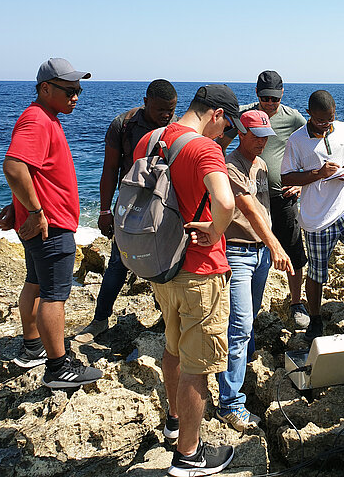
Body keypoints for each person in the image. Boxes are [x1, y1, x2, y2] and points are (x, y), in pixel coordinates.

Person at [134, 84, 243, 476]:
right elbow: (226, 201)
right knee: (198, 365)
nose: (226, 134)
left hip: (161, 264)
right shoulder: (203, 148)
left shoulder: (149, 140)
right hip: (199, 270)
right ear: (215, 113)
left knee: (173, 347)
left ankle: (174, 422)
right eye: (228, 124)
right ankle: (189, 456)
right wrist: (216, 229)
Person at [0, 58, 102, 388]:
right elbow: (13, 167)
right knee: (55, 295)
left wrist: (20, 207)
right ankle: (58, 368)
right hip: (50, 225)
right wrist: (36, 211)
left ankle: (33, 347)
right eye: (69, 90)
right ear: (45, 88)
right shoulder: (38, 121)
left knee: (36, 282)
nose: (76, 97)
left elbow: (31, 172)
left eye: (79, 91)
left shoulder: (44, 117)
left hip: (41, 222)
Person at [77, 79, 178, 341]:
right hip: (130, 205)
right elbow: (109, 169)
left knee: (165, 264)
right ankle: (100, 320)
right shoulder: (124, 125)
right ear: (146, 103)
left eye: (172, 109)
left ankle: (167, 321)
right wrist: (104, 211)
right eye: (161, 110)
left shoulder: (176, 128)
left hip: (166, 207)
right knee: (118, 263)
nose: (167, 116)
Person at [281, 89, 344, 342]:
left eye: (330, 119)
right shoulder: (296, 141)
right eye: (320, 121)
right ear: (309, 115)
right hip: (316, 220)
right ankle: (315, 320)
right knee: (317, 273)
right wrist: (318, 173)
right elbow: (287, 177)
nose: (326, 125)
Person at [216, 109, 294, 431]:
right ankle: (230, 403)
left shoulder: (260, 165)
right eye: (258, 137)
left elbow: (265, 206)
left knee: (248, 321)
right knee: (240, 324)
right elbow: (247, 207)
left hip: (259, 254)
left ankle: (238, 374)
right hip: (237, 254)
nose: (263, 143)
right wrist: (276, 245)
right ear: (242, 133)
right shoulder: (229, 166)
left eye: (266, 137)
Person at [220, 71, 310, 329]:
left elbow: (308, 145)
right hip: (247, 192)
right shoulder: (244, 116)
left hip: (281, 196)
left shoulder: (292, 117)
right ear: (257, 94)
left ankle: (296, 303)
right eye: (265, 98)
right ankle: (239, 311)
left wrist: (300, 182)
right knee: (244, 246)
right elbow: (222, 143)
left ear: (282, 94)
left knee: (292, 250)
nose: (269, 104)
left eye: (274, 99)